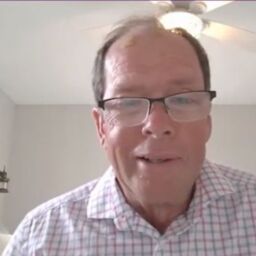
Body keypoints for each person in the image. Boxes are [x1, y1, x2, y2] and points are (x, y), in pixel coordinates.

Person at [4, 16, 256, 255]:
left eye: (182, 99)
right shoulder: (38, 240)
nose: (156, 125)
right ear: (102, 126)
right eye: (127, 102)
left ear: (207, 120)